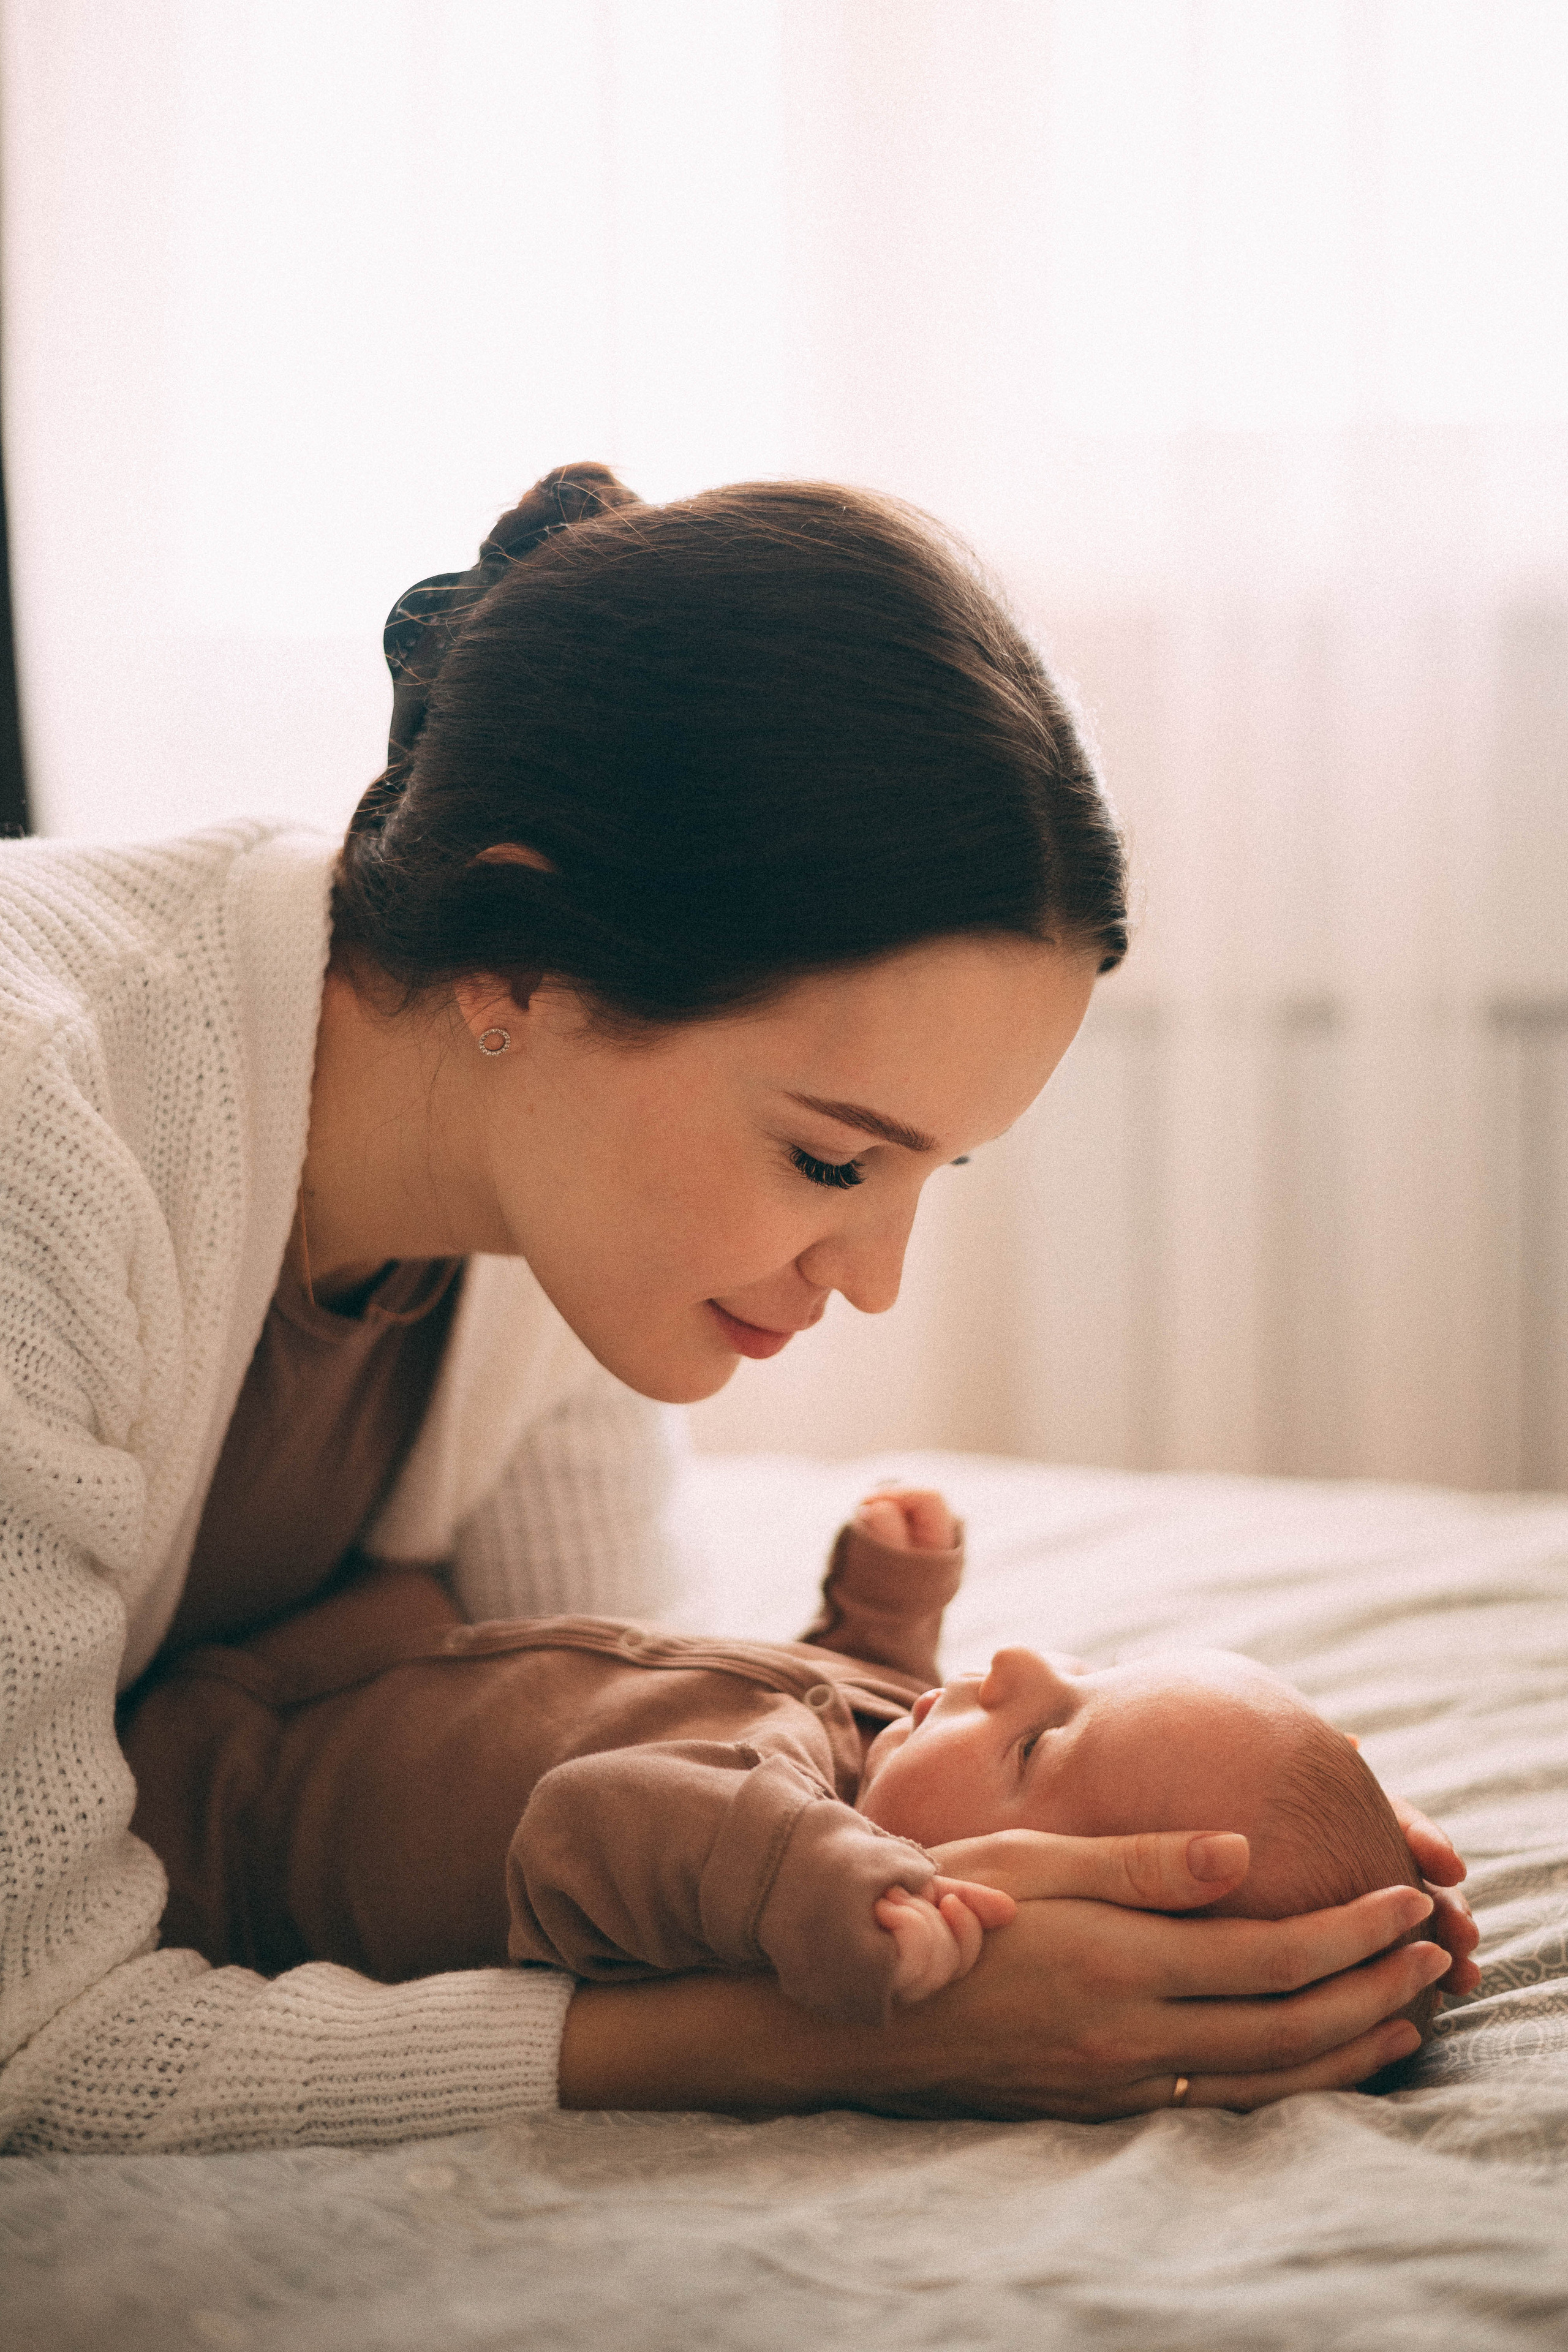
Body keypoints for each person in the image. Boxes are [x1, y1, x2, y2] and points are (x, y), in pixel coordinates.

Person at [0, 464, 1476, 2154]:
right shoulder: (38, 1132)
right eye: (836, 1161)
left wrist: (1237, 1848)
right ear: (519, 964)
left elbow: (597, 1739)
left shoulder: (556, 1205)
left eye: (939, 1175)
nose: (875, 1279)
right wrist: (829, 2046)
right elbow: (36, 2045)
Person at [119, 1487, 1445, 2053]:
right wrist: (878, 1622)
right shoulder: (876, 1771)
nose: (1020, 1663)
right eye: (1093, 1667)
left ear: (966, 1898)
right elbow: (804, 1717)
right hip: (359, 1667)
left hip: (208, 1809)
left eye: (1041, 1741)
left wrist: (828, 1890)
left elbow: (599, 1814)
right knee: (387, 1569)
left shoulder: (772, 1878)